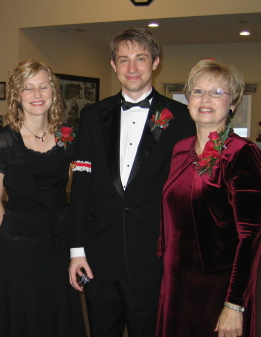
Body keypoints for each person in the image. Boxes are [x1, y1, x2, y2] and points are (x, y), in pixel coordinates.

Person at [68, 27, 195, 337]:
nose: (132, 68)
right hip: (99, 259)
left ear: (155, 62)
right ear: (113, 65)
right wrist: (76, 251)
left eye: (140, 58)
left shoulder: (180, 117)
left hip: (153, 258)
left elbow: (188, 191)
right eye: (123, 60)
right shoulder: (92, 116)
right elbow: (81, 187)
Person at [156, 59, 261, 337]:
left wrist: (235, 304)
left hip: (219, 286)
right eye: (197, 91)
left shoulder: (242, 153)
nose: (205, 99)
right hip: (176, 280)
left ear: (232, 104)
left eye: (217, 92)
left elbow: (251, 236)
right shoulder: (180, 149)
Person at [0, 59, 85, 337]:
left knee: (55, 312)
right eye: (29, 88)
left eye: (43, 87)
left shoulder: (68, 138)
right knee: (20, 315)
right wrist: (11, 242)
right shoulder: (3, 141)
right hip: (18, 246)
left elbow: (85, 183)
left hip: (59, 242)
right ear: (17, 95)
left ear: (53, 92)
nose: (37, 95)